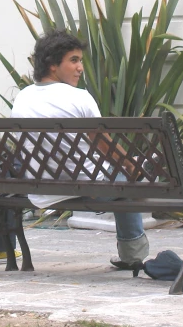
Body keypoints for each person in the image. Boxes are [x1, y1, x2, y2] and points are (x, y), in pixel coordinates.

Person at [8, 30, 150, 270]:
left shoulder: (22, 98)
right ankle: (132, 254)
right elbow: (103, 145)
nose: (80, 68)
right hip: (89, 185)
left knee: (125, 172)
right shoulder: (79, 98)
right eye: (74, 60)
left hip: (42, 188)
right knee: (130, 177)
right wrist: (130, 165)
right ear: (53, 65)